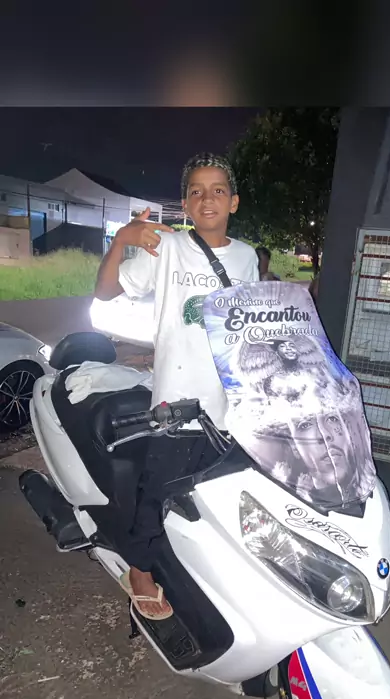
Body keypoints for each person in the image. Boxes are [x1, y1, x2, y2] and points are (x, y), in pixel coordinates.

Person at [95, 153, 259, 618]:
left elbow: (248, 326)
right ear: (184, 203)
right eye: (196, 191)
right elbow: (105, 291)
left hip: (226, 406)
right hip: (175, 399)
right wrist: (122, 240)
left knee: (211, 493)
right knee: (158, 489)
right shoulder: (166, 246)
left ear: (234, 201)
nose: (208, 199)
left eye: (218, 190)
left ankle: (193, 561)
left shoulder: (247, 257)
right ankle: (139, 570)